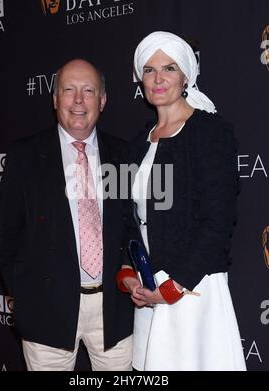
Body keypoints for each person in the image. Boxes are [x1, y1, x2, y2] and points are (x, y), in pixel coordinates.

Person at [116, 31, 247, 371]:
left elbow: (218, 222)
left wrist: (175, 286)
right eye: (149, 70)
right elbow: (133, 220)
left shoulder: (210, 133)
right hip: (150, 295)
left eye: (169, 68)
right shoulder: (139, 144)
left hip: (194, 292)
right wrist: (130, 272)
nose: (158, 79)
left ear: (186, 75)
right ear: (140, 78)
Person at [0, 59, 133, 371]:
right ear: (55, 98)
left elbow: (131, 227)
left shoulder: (124, 154)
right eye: (68, 90)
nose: (78, 100)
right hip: (46, 311)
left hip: (113, 310)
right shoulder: (25, 156)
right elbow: (7, 236)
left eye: (88, 91)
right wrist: (22, 296)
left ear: (102, 100)